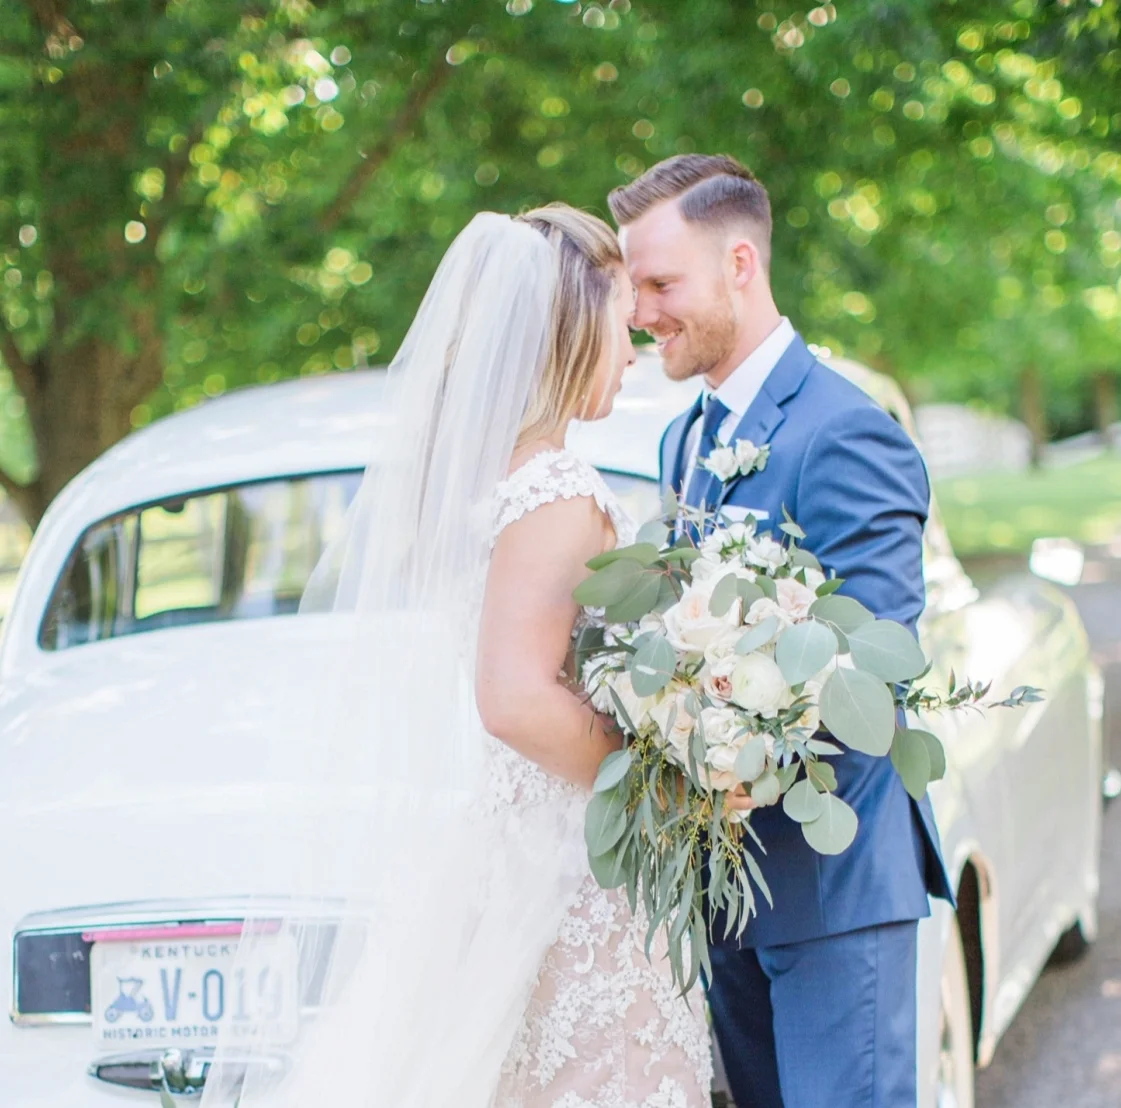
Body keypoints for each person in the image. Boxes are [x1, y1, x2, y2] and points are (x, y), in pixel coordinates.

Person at [201, 205, 715, 1107]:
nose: (629, 353)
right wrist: (663, 782)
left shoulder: (497, 480)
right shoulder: (555, 491)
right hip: (573, 867)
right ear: (562, 333)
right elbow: (513, 699)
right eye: (613, 324)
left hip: (513, 851)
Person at [609, 155, 954, 1108]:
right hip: (726, 895)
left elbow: (876, 672)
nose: (640, 309)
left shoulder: (845, 431)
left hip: (835, 895)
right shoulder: (682, 440)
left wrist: (723, 744)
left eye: (661, 282)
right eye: (634, 284)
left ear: (739, 264)